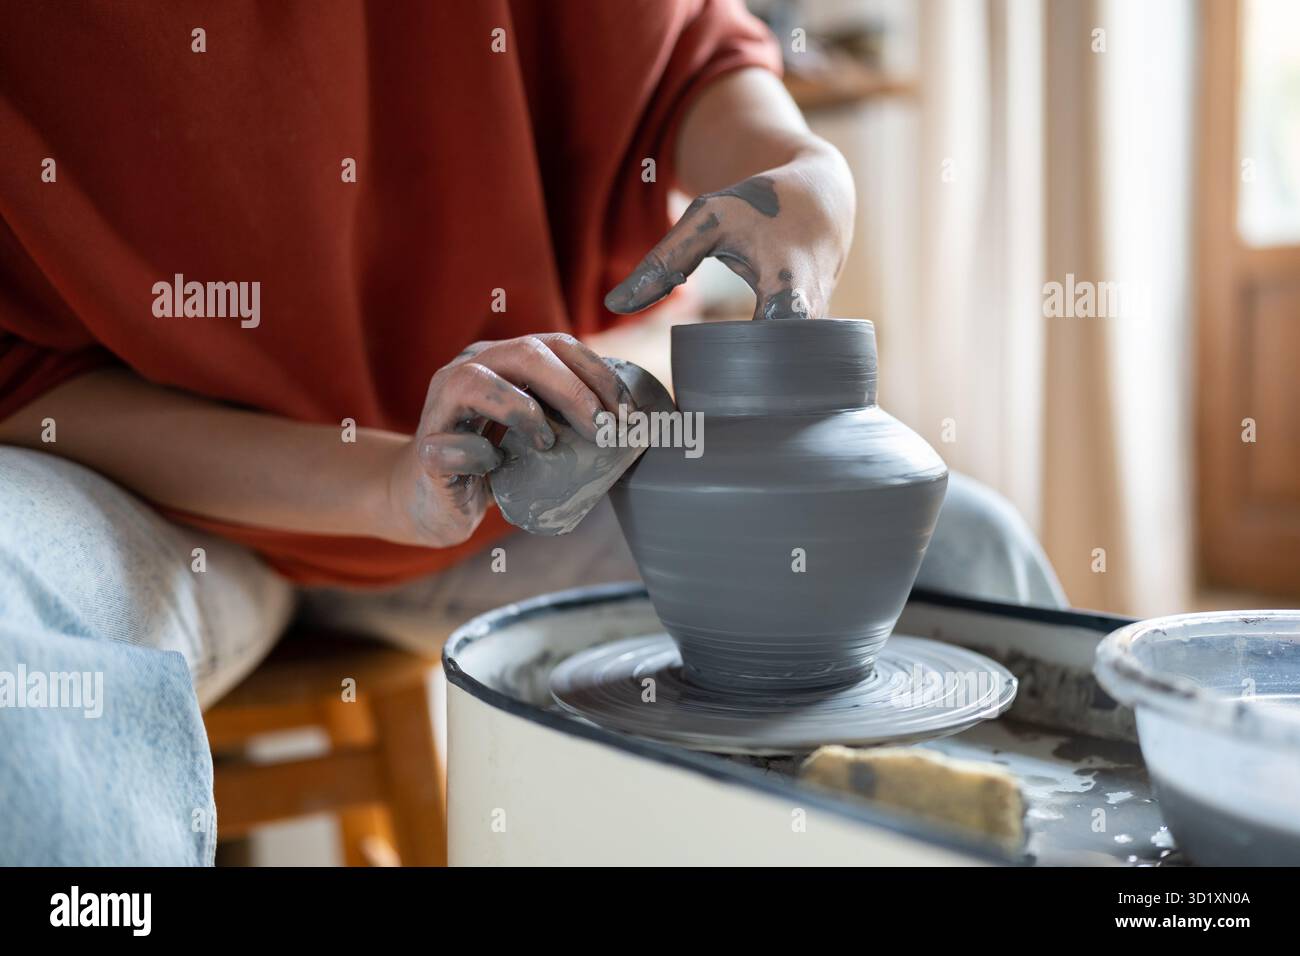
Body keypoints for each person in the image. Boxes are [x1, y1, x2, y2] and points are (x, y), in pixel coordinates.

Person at [0, 1, 1063, 865]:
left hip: (500, 474)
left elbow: (684, 61)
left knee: (966, 554)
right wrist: (378, 485)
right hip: (141, 473)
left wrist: (801, 168)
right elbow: (22, 379)